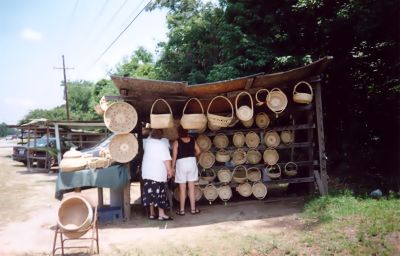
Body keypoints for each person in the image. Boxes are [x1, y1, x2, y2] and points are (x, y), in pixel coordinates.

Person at [141, 129, 174, 221]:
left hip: (147, 172)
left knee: (150, 193)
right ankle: (161, 214)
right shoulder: (162, 144)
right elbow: (166, 160)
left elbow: (147, 138)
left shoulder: (147, 143)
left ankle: (152, 214)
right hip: (158, 173)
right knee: (160, 193)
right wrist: (170, 170)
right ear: (161, 136)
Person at [172, 126, 202, 215]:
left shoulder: (176, 142)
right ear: (187, 131)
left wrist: (172, 168)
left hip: (181, 163)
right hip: (191, 162)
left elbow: (174, 156)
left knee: (182, 189)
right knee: (192, 188)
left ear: (178, 133)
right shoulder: (192, 139)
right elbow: (199, 151)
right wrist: (193, 155)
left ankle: (182, 210)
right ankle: (193, 209)